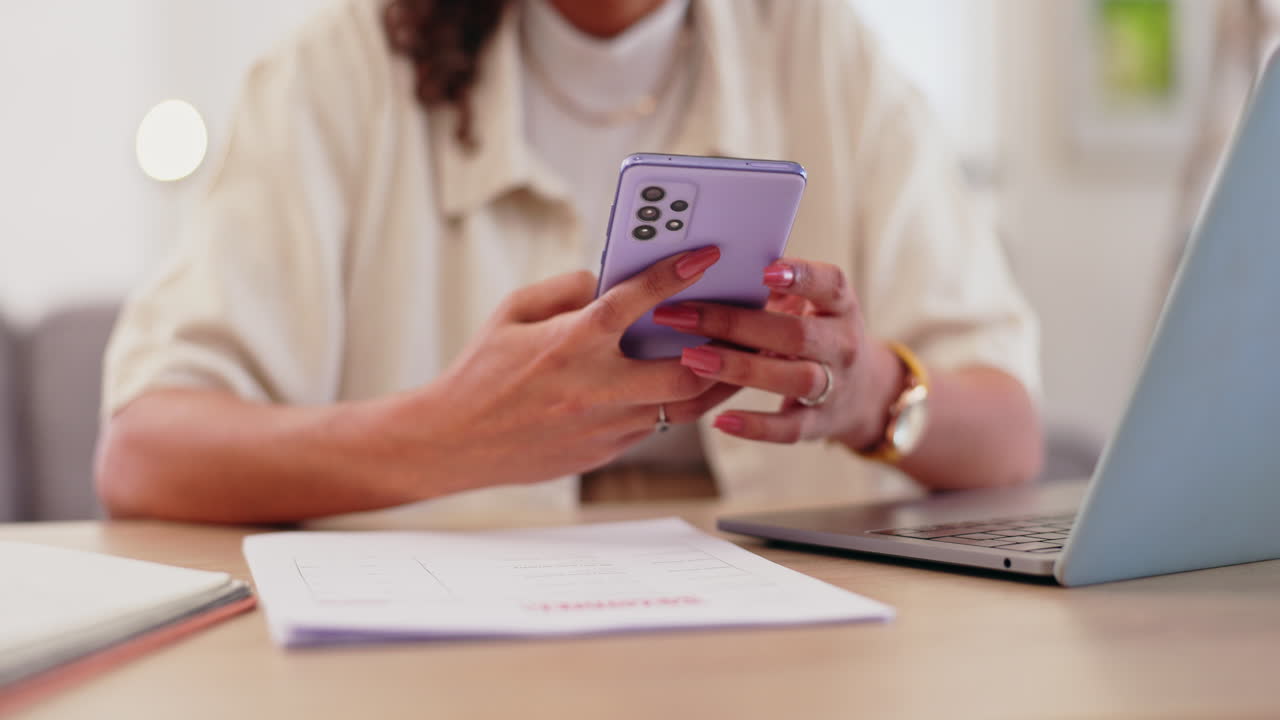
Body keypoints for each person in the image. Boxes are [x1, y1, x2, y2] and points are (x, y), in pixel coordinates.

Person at [95, 0, 1043, 525]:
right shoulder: (340, 73)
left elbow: (1009, 436)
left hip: (790, 644)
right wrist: (438, 436)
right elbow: (144, 453)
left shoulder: (827, 54)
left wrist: (871, 391)